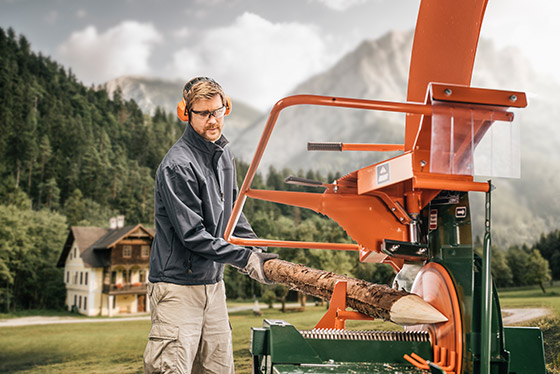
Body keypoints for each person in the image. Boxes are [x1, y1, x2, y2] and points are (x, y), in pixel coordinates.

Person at [143, 77, 278, 374]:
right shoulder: (177, 165)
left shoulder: (223, 155)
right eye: (204, 114)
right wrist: (244, 259)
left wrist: (260, 253)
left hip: (213, 287)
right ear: (186, 114)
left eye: (218, 111)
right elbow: (193, 235)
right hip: (177, 288)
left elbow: (233, 216)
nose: (213, 120)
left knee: (219, 369)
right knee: (172, 368)